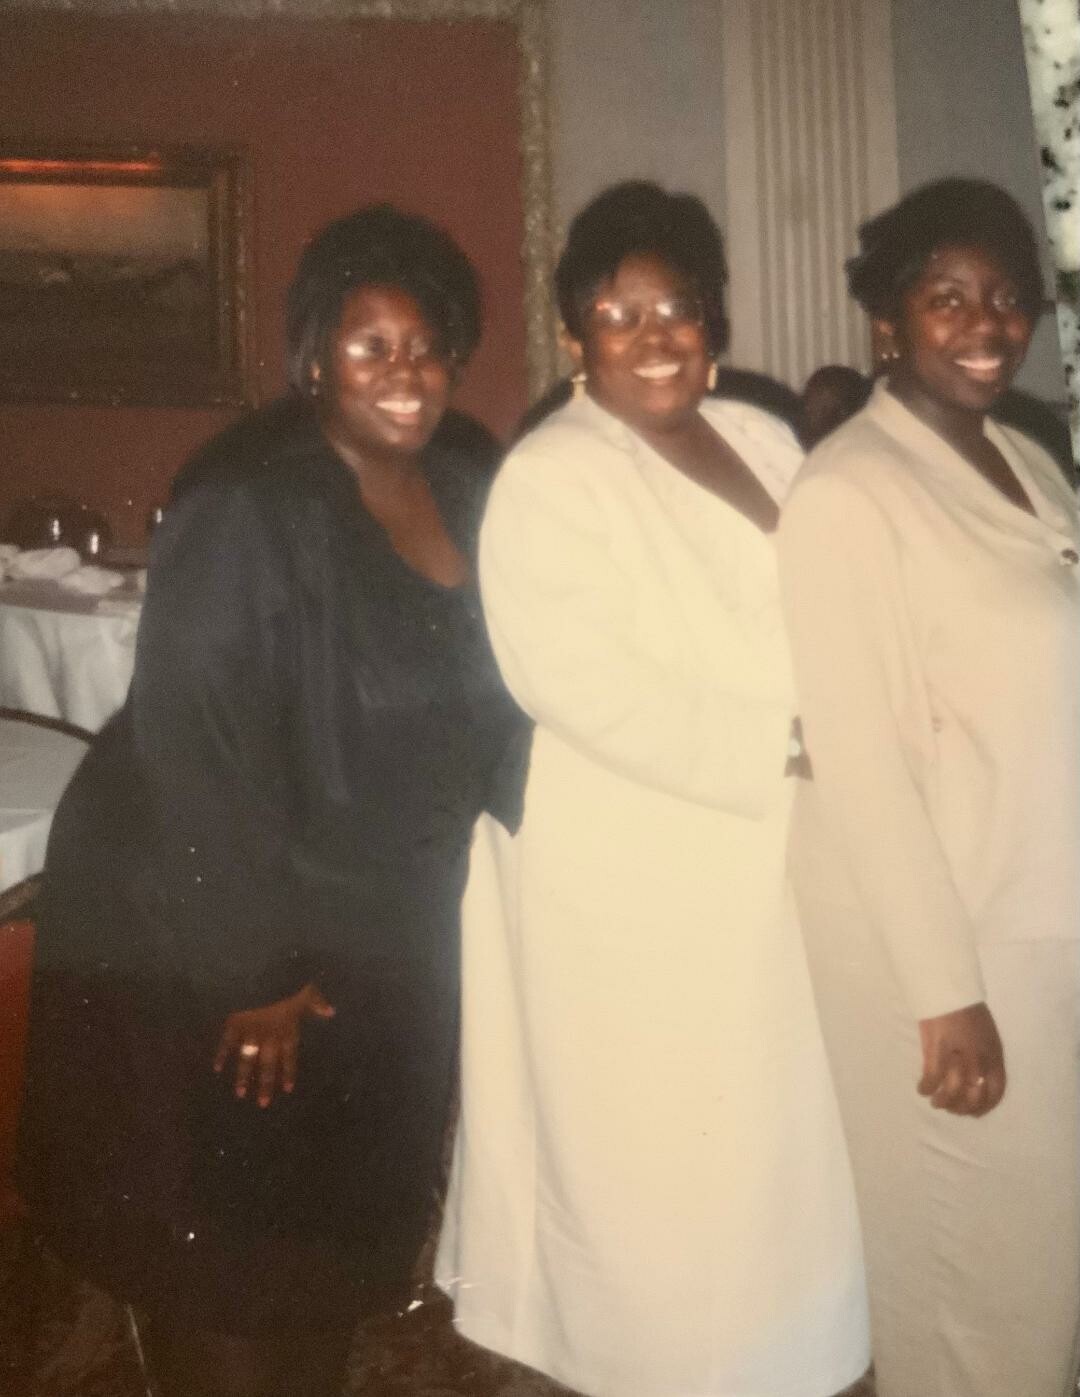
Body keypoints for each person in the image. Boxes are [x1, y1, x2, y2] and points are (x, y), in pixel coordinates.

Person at [17, 204, 525, 1397]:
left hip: (384, 928)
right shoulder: (248, 502)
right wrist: (255, 972)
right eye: (370, 344)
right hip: (220, 932)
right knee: (230, 1242)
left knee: (330, 1232)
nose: (404, 371)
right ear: (314, 359)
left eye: (427, 345)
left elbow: (506, 684)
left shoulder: (465, 480)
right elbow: (196, 749)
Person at [437, 181, 868, 1397]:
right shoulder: (552, 474)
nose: (653, 336)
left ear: (713, 318)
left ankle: (784, 1357)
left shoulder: (764, 435)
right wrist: (787, 741)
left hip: (774, 841)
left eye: (675, 307)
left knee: (769, 1140)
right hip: (635, 863)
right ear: (575, 335)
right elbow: (577, 683)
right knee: (658, 1162)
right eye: (617, 315)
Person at [777, 177, 1080, 1396]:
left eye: (1008, 296)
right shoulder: (849, 491)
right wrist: (945, 992)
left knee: (1034, 1265)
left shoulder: (1025, 458)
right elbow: (859, 761)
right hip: (947, 940)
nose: (986, 323)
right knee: (976, 1283)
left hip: (1037, 908)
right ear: (887, 319)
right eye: (947, 296)